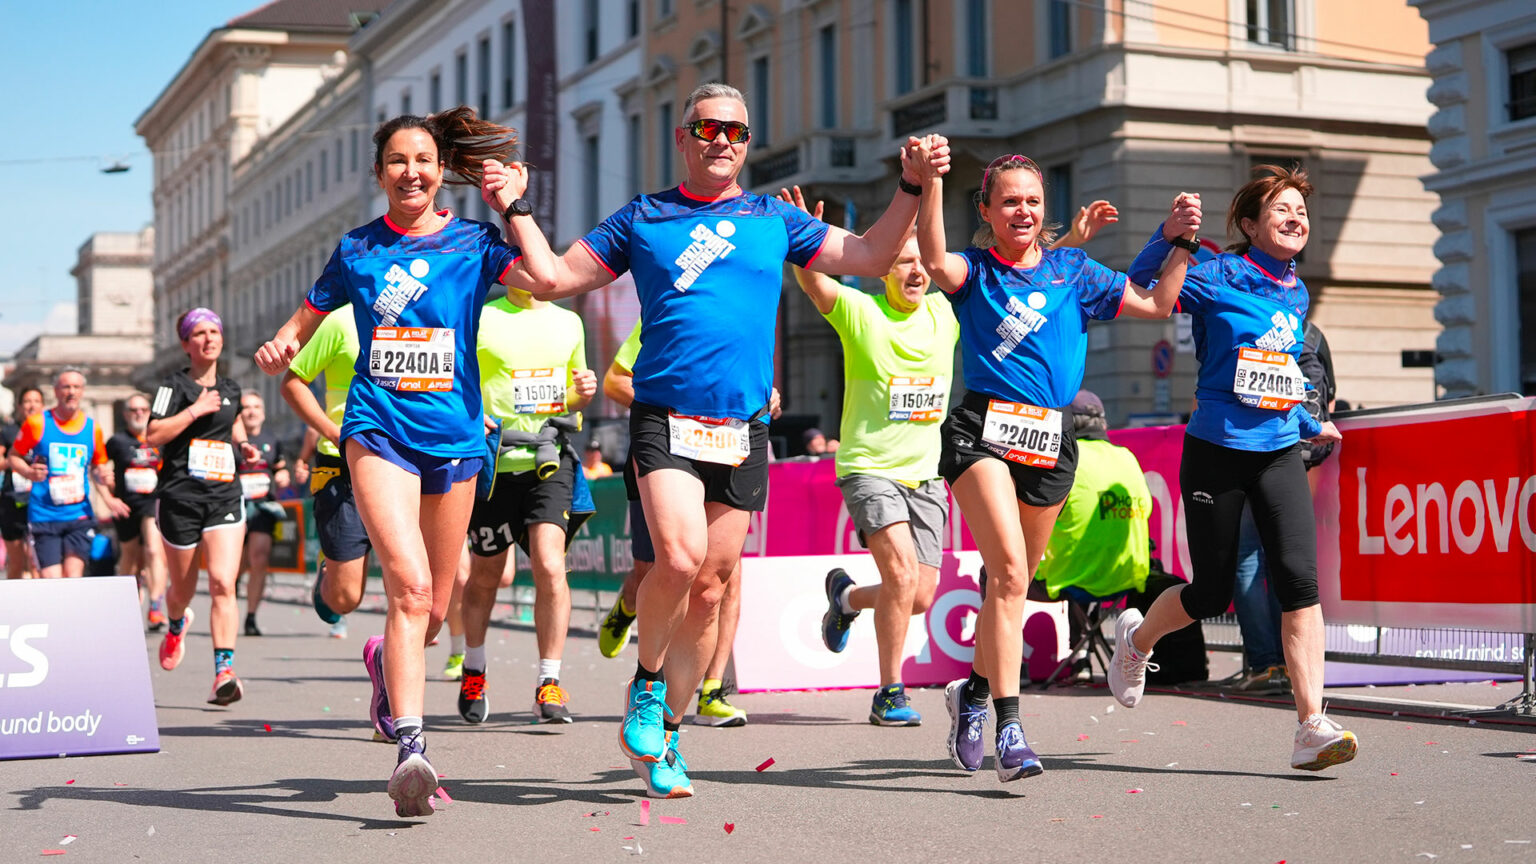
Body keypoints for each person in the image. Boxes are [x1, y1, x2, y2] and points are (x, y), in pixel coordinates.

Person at [536, 82, 923, 798]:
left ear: (748, 144)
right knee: (678, 560)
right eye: (707, 128)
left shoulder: (773, 218)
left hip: (741, 426)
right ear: (683, 138)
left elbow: (870, 256)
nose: (722, 140)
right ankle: (647, 693)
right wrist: (517, 209)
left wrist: (912, 185)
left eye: (737, 132)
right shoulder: (643, 218)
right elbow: (558, 276)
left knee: (712, 590)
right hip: (663, 417)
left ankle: (669, 738)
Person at [254, 107, 556, 818]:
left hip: (454, 439)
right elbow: (294, 332)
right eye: (397, 160)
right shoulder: (356, 250)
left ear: (440, 169)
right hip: (376, 430)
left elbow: (544, 278)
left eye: (423, 159)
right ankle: (412, 749)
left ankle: (385, 668)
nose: (412, 171)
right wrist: (275, 349)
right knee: (412, 588)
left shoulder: (475, 242)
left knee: (436, 607)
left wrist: (515, 205)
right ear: (379, 172)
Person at [910, 139, 1199, 782]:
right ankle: (1010, 728)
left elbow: (1155, 304)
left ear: (1047, 210)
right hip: (981, 431)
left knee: (1014, 584)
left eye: (1033, 202)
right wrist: (929, 183)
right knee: (1010, 573)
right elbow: (932, 257)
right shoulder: (976, 271)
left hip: (1051, 442)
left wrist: (1179, 242)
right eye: (1009, 202)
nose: (1022, 211)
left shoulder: (1075, 271)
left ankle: (973, 694)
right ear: (985, 211)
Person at [1111, 164, 1356, 772]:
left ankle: (1310, 725)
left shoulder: (1296, 291)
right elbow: (1139, 288)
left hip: (1277, 452)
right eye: (1280, 210)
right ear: (1249, 225)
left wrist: (1307, 422)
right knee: (1212, 589)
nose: (1295, 218)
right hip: (1216, 450)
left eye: (1301, 209)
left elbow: (1280, 376)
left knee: (1301, 585)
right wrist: (1171, 237)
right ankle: (1137, 641)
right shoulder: (1218, 275)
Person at [596, 319, 755, 728]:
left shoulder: (745, 299)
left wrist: (764, 395)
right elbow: (615, 382)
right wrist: (676, 413)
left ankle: (712, 690)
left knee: (719, 580)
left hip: (730, 442)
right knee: (663, 568)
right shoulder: (669, 308)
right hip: (667, 450)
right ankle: (628, 604)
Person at [456, 283, 596, 725]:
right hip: (494, 462)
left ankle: (548, 682)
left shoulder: (568, 321)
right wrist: (471, 414)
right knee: (485, 575)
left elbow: (571, 398)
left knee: (551, 565)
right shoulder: (481, 315)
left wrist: (584, 393)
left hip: (548, 459)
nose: (527, 269)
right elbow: (456, 379)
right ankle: (474, 669)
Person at [149, 310, 260, 705]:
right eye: (199, 333)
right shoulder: (173, 386)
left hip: (224, 496)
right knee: (182, 589)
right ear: (186, 344)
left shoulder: (231, 388)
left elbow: (231, 426)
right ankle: (176, 623)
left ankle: (224, 671)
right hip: (180, 497)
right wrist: (195, 409)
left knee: (222, 583)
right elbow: (153, 434)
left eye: (215, 331)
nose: (209, 338)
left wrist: (243, 444)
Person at [1227, 319, 1337, 694]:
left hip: (1248, 445)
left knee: (1247, 557)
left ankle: (1264, 664)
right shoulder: (1312, 333)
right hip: (1301, 452)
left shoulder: (1243, 321)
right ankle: (1293, 667)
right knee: (1288, 562)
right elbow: (1330, 397)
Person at [1033, 389, 1153, 678]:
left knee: (994, 574)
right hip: (1127, 576)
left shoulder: (1063, 462)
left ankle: (993, 669)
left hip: (1075, 578)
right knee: (1084, 559)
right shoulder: (1126, 456)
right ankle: (1081, 656)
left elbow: (1037, 519)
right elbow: (1146, 509)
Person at [282, 306, 366, 642]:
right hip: (341, 463)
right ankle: (330, 568)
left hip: (403, 459)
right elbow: (292, 383)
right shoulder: (337, 321)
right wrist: (333, 432)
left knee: (415, 591)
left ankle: (393, 667)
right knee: (343, 600)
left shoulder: (422, 313)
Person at [6, 370, 121, 579]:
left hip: (79, 514)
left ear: (82, 392)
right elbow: (13, 456)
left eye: (76, 387)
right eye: (66, 387)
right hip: (44, 515)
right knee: (52, 580)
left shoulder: (92, 429)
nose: (71, 392)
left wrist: (108, 495)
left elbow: (97, 467)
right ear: (56, 391)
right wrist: (28, 472)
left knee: (73, 578)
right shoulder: (38, 423)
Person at [106, 392, 168, 628]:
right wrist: (108, 494)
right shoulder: (117, 441)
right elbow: (97, 467)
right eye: (134, 410)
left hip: (153, 501)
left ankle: (155, 607)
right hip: (126, 504)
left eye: (144, 409)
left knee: (153, 550)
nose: (139, 414)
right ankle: (124, 607)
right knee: (129, 556)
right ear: (125, 414)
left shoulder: (159, 438)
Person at [235, 391, 290, 636]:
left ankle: (250, 616)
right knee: (238, 563)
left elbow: (280, 466)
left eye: (256, 406)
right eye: (246, 407)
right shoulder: (231, 441)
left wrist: (283, 474)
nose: (252, 411)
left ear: (263, 412)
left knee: (259, 558)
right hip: (234, 506)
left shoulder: (272, 439)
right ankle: (231, 598)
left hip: (263, 506)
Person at [1, 387, 45, 579]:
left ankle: (37, 605)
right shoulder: (9, 431)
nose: (32, 405)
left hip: (42, 500)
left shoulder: (47, 429)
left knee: (36, 560)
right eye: (27, 401)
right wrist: (17, 462)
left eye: (36, 401)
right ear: (19, 406)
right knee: (17, 560)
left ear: (43, 405)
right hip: (14, 500)